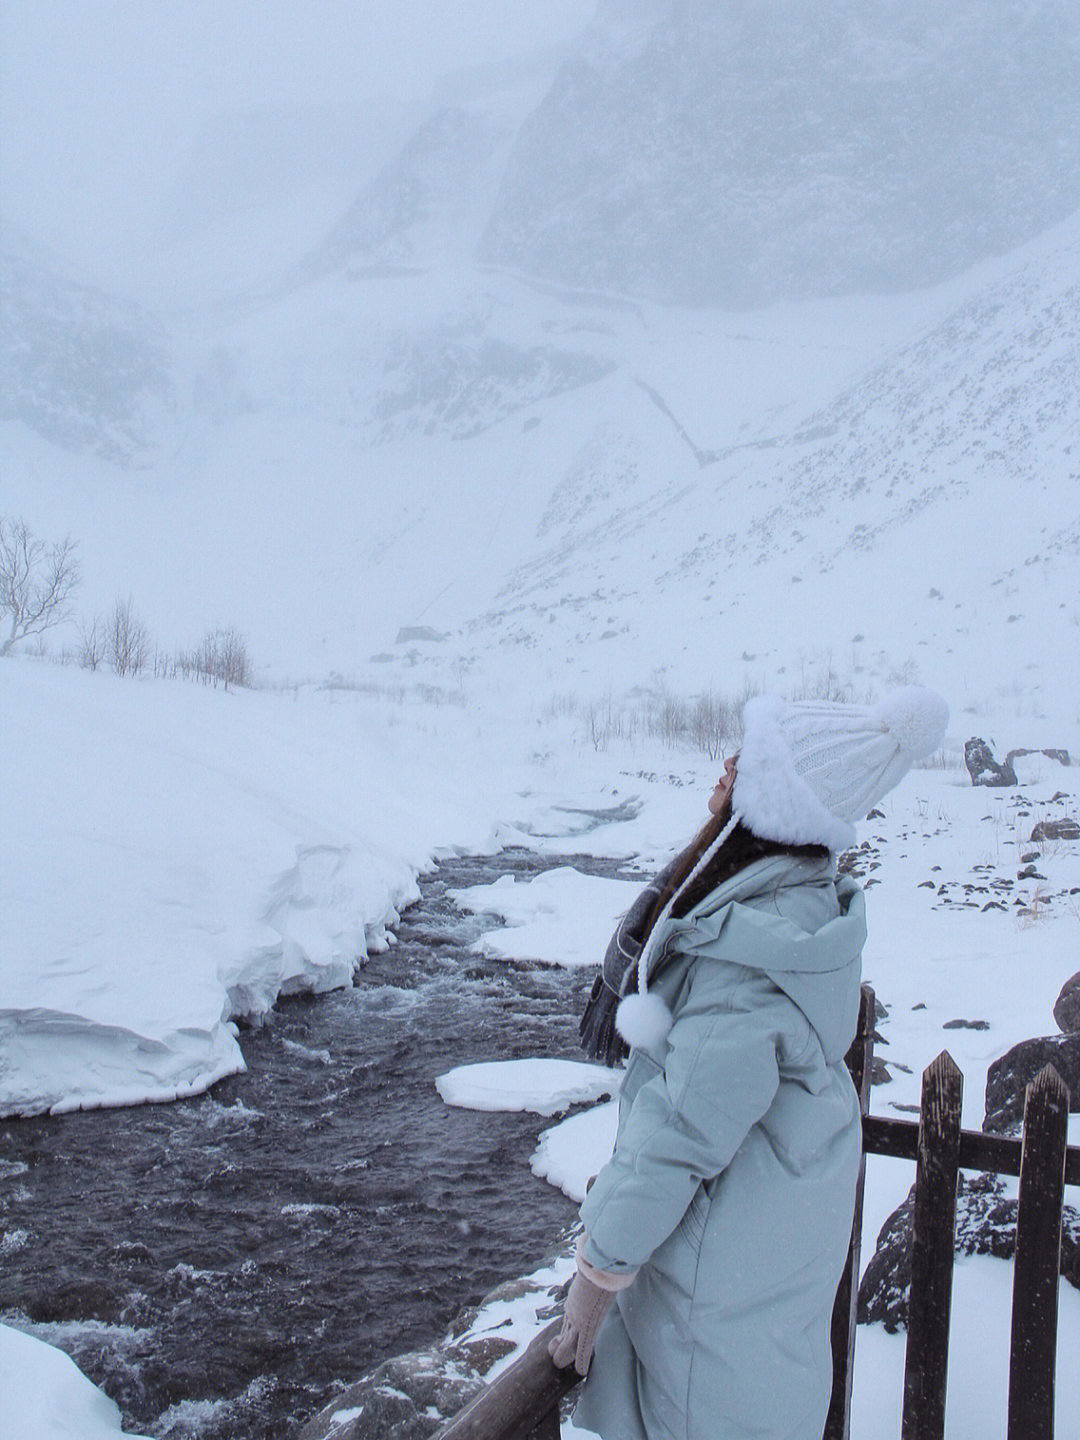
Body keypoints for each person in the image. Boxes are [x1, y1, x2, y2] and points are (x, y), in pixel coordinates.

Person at [549, 687, 949, 1440]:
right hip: (747, 1300)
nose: (727, 763)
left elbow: (679, 1132)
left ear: (775, 802)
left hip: (712, 1325)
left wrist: (599, 1271)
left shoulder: (752, 953)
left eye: (750, 756)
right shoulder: (790, 909)